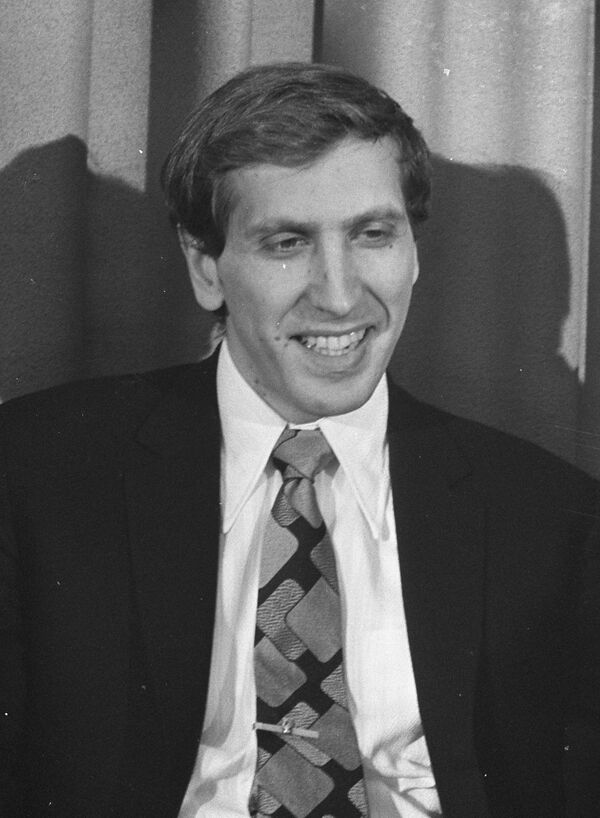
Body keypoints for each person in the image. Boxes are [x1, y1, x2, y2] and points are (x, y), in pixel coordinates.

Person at [0, 62, 598, 818]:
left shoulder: (550, 515)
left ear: (414, 253)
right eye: (287, 243)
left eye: (373, 235)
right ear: (205, 267)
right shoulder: (35, 470)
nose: (340, 296)